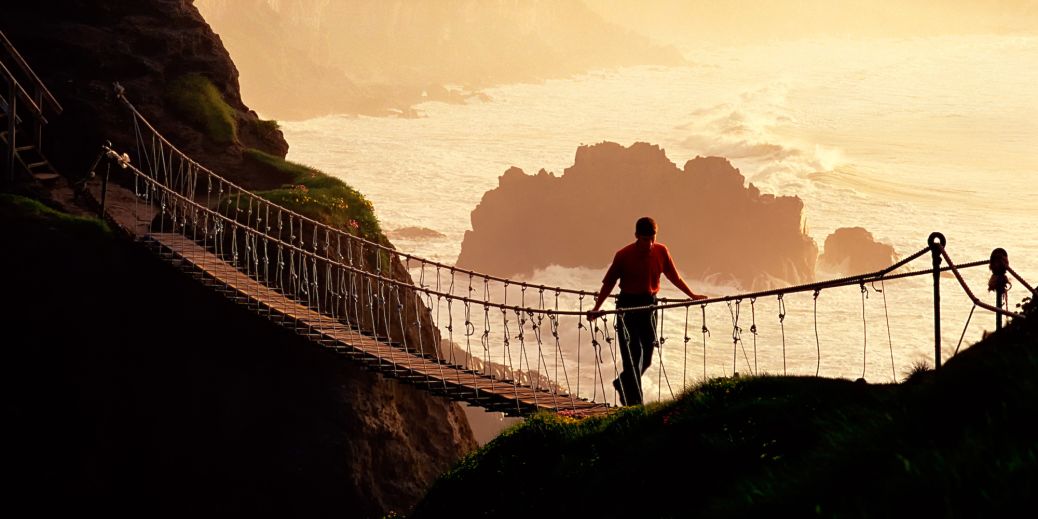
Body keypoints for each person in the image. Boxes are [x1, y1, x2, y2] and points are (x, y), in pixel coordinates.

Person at [587, 217, 707, 406]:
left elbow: (673, 276)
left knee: (648, 356)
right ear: (636, 236)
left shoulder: (661, 251)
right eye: (645, 239)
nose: (650, 243)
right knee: (633, 354)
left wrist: (692, 295)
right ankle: (636, 405)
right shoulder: (623, 255)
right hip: (627, 306)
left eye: (652, 238)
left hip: (650, 306)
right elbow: (609, 283)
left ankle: (622, 383)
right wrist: (596, 308)